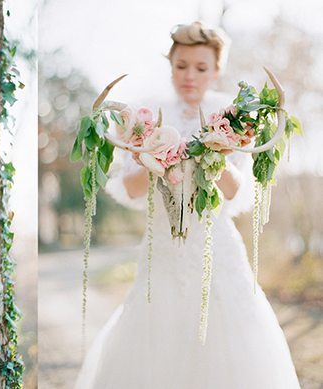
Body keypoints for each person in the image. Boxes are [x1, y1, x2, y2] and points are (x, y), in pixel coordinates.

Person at [74, 21, 301, 389]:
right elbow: (129, 190)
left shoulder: (234, 115)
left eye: (201, 67)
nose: (190, 76)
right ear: (171, 66)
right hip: (162, 250)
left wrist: (217, 152)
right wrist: (154, 158)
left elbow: (236, 193)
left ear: (216, 71)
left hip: (218, 251)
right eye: (181, 66)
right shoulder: (145, 113)